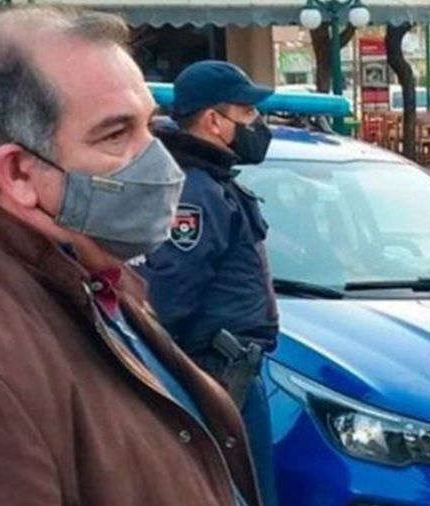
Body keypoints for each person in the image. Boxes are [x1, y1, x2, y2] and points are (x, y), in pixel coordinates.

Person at [0, 8, 260, 506]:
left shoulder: (83, 266)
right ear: (19, 173)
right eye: (115, 134)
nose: (160, 161)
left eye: (148, 126)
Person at [136, 60, 279, 505]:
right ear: (214, 121)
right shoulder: (197, 191)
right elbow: (170, 294)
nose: (258, 123)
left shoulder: (214, 183)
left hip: (229, 374)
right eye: (247, 112)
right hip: (216, 376)